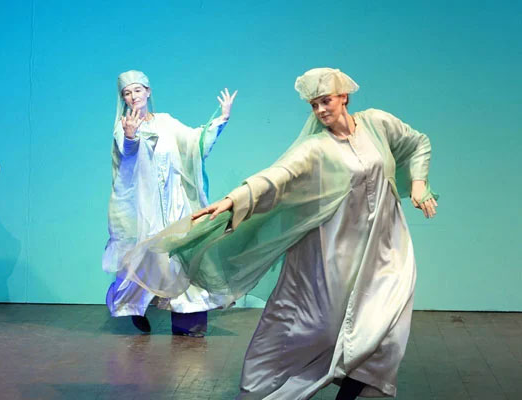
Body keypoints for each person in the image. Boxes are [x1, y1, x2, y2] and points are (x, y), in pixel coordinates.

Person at [122, 68, 437, 398]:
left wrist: (418, 185)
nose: (320, 110)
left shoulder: (377, 123)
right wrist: (233, 201)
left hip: (387, 245)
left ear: (344, 97)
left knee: (388, 326)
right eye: (314, 105)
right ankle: (271, 381)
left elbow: (418, 143)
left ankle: (353, 389)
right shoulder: (317, 147)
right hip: (339, 249)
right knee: (318, 327)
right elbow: (276, 177)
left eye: (326, 101)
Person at [103, 70, 237, 336]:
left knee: (184, 257)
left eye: (138, 90)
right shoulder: (123, 125)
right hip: (146, 206)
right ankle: (132, 307)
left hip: (176, 202)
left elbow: (194, 143)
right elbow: (126, 155)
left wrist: (221, 119)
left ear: (148, 92)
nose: (133, 97)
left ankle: (189, 322)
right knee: (145, 259)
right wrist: (131, 137)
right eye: (127, 93)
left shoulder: (165, 122)